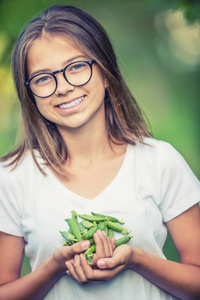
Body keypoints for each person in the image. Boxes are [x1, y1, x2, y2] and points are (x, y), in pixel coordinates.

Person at [0, 4, 199, 300]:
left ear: (105, 72)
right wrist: (54, 267)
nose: (63, 87)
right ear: (30, 94)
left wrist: (137, 259)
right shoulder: (12, 177)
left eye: (76, 67)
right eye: (43, 78)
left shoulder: (159, 161)